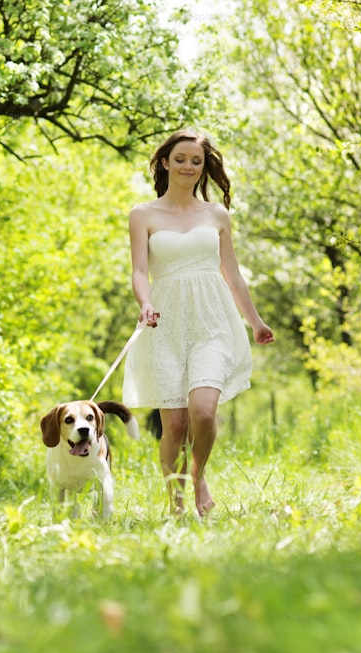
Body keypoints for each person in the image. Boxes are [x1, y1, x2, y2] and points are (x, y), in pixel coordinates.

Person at [122, 129, 274, 517]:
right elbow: (140, 271)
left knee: (203, 413)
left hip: (213, 322)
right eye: (181, 159)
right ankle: (174, 501)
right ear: (164, 163)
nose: (189, 166)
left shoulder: (217, 215)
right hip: (166, 324)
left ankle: (198, 473)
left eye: (197, 161)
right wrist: (145, 302)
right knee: (173, 427)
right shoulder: (143, 214)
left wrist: (255, 322)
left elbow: (233, 275)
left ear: (204, 168)